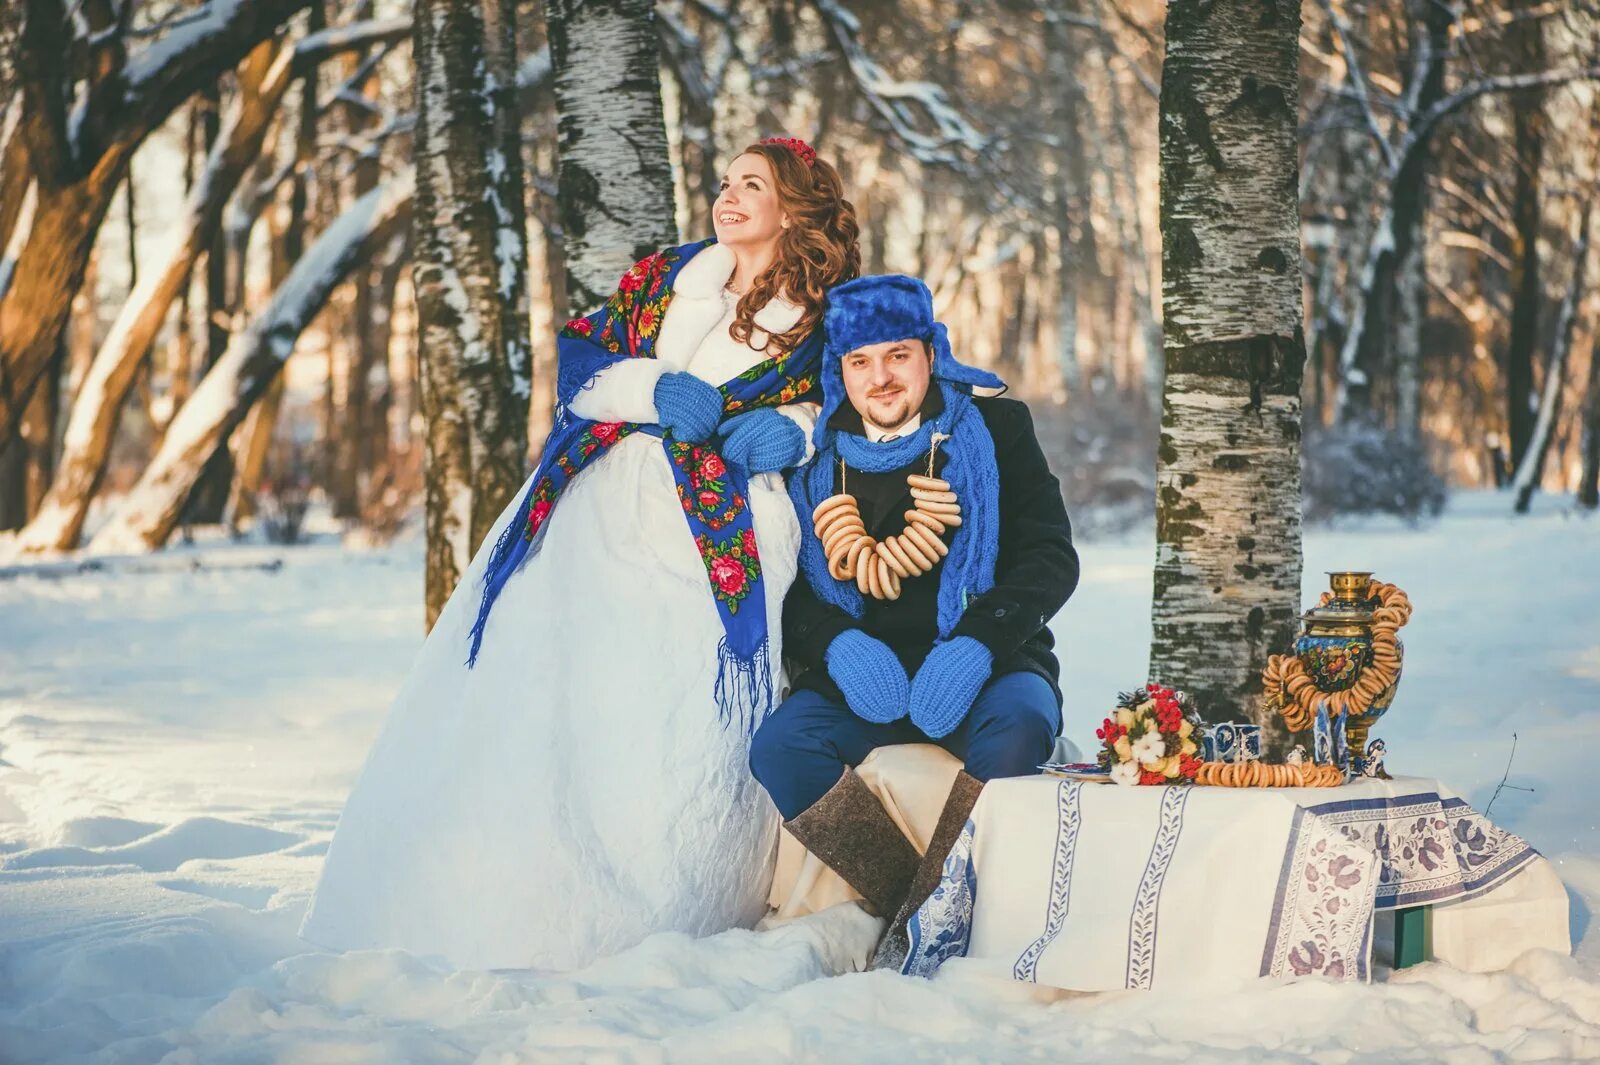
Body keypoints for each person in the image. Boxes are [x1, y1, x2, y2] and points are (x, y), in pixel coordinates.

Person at [300, 138, 860, 972]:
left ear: (794, 207)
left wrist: (797, 428)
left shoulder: (828, 312)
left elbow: (864, 397)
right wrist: (648, 387)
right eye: (725, 181)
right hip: (593, 517)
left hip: (719, 535)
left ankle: (664, 907)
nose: (729, 195)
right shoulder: (668, 278)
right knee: (557, 699)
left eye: (753, 183)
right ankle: (501, 903)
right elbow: (582, 355)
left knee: (668, 714)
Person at [750, 274, 1080, 971]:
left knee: (1020, 728)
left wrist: (977, 644)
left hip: (985, 664)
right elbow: (787, 586)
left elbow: (1050, 557)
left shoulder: (996, 429)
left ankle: (966, 908)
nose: (881, 377)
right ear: (840, 369)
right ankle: (916, 898)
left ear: (931, 352)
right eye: (860, 361)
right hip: (865, 677)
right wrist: (836, 645)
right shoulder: (815, 455)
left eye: (897, 354)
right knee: (780, 747)